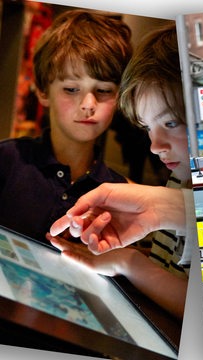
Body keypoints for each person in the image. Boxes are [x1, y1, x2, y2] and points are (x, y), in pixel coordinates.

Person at [48, 25, 190, 319]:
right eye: (148, 127)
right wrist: (128, 260)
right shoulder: (178, 179)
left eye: (172, 123)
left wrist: (129, 261)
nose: (155, 145)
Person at [0, 10, 132, 243]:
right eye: (71, 89)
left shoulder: (119, 192)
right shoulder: (7, 159)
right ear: (43, 90)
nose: (89, 105)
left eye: (103, 90)